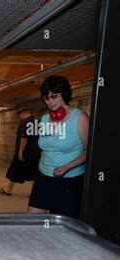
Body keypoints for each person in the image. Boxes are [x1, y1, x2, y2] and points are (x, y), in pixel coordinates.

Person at [28, 75, 89, 219]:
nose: (50, 101)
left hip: (69, 179)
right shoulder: (45, 119)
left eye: (54, 96)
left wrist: (67, 167)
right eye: (46, 98)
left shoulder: (80, 118)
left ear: (65, 94)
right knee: (32, 219)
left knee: (63, 223)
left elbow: (90, 151)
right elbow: (46, 146)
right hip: (43, 176)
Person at [0, 107, 40, 196]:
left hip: (24, 153)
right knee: (32, 173)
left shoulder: (24, 123)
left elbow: (24, 138)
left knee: (14, 170)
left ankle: (8, 189)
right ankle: (36, 193)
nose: (19, 118)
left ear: (23, 113)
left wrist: (20, 151)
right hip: (35, 153)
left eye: (19, 115)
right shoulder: (37, 123)